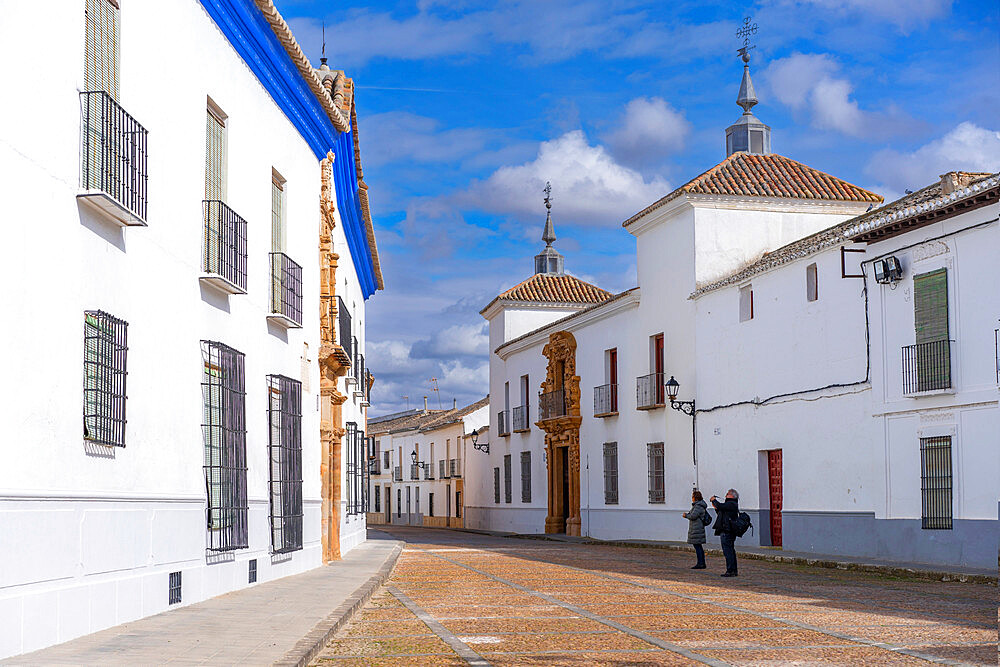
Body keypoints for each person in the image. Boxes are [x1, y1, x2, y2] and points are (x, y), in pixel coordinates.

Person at [710, 489, 740, 577]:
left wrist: (714, 500)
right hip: (727, 530)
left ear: (732, 496)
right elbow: (721, 511)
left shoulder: (731, 503)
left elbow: (720, 506)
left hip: (727, 531)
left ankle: (730, 570)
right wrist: (716, 507)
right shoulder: (730, 504)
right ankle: (733, 570)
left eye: (727, 494)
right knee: (730, 551)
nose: (726, 495)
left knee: (728, 552)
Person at [682, 490, 708, 569]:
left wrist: (686, 515)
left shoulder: (698, 506)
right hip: (697, 528)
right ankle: (701, 563)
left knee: (698, 547)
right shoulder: (698, 505)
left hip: (697, 529)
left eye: (692, 497)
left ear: (695, 497)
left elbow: (693, 516)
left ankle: (701, 563)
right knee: (698, 546)